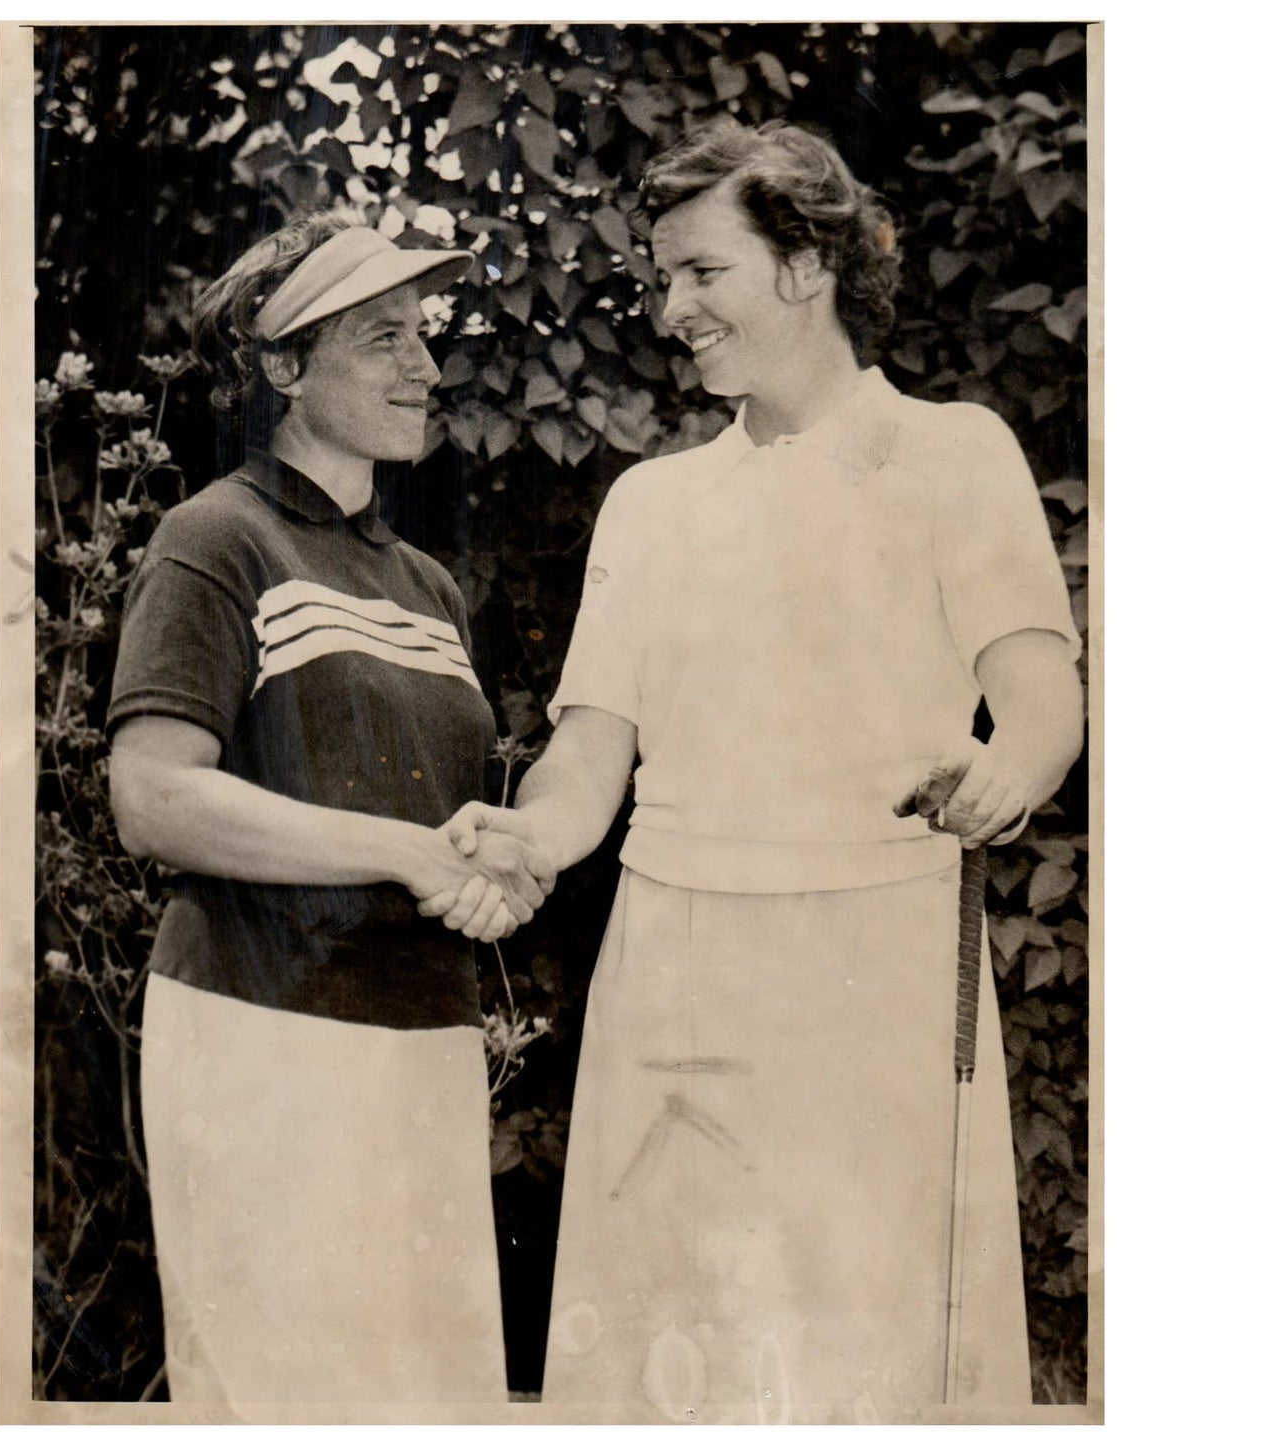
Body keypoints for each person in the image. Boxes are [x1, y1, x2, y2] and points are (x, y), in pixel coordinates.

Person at [424, 121, 1084, 1422]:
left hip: (874, 952)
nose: (669, 309)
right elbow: (590, 756)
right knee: (683, 1342)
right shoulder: (653, 506)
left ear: (804, 266)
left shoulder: (954, 456)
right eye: (659, 277)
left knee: (860, 1330)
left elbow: (1042, 701)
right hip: (677, 960)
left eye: (699, 272)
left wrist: (1011, 773)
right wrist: (528, 837)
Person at [105, 208, 555, 1405]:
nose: (423, 365)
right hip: (264, 1029)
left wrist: (500, 860)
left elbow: (444, 823)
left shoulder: (429, 586)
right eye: (379, 338)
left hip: (427, 1040)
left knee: (426, 1399)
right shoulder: (215, 538)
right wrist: (405, 850)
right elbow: (152, 798)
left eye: (423, 334)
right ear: (282, 367)